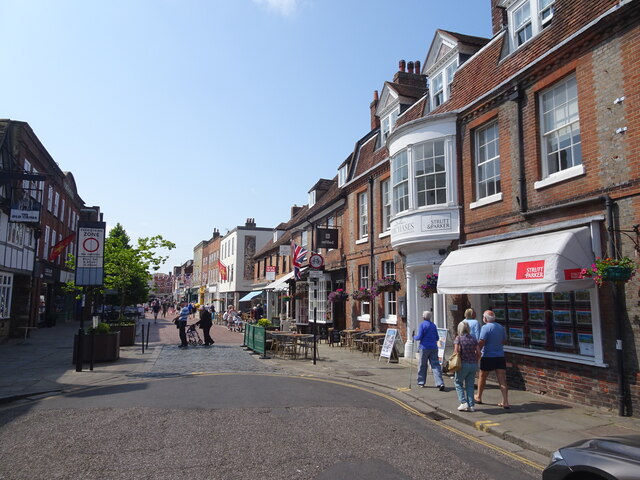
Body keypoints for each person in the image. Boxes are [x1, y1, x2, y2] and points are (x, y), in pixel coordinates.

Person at [475, 310, 510, 408]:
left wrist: (477, 354)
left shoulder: (485, 328)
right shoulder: (501, 327)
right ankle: (505, 401)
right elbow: (504, 341)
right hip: (500, 356)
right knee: (502, 379)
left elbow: (481, 342)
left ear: (485, 318)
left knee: (482, 377)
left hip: (488, 356)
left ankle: (478, 397)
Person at [413, 311, 445, 390]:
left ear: (423, 317)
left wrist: (414, 337)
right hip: (434, 347)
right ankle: (440, 383)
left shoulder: (422, 325)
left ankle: (421, 382)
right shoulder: (433, 325)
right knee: (435, 365)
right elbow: (437, 338)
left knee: (422, 365)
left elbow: (419, 337)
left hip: (424, 347)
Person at [453, 321, 481, 412]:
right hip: (473, 364)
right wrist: (476, 360)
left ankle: (463, 402)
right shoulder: (473, 338)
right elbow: (479, 352)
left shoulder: (459, 338)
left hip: (463, 364)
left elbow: (456, 352)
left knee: (458, 382)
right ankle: (471, 405)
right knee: (470, 385)